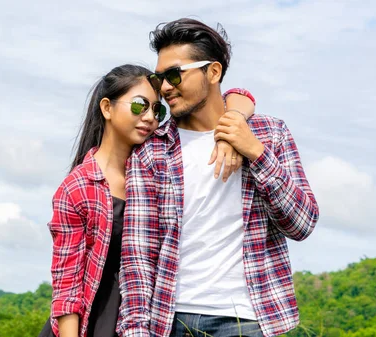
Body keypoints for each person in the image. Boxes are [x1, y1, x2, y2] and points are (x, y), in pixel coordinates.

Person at [118, 18, 320, 337]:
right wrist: (136, 330)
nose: (166, 87)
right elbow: (138, 253)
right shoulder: (150, 151)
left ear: (213, 72)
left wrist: (255, 151)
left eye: (174, 74)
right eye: (159, 79)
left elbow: (302, 224)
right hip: (170, 320)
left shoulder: (271, 134)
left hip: (248, 321)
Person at [40, 63, 256, 337]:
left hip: (152, 316)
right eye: (139, 106)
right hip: (94, 321)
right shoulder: (77, 188)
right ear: (107, 108)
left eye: (157, 110)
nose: (150, 118)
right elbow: (67, 287)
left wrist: (229, 132)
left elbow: (238, 95)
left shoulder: (154, 166)